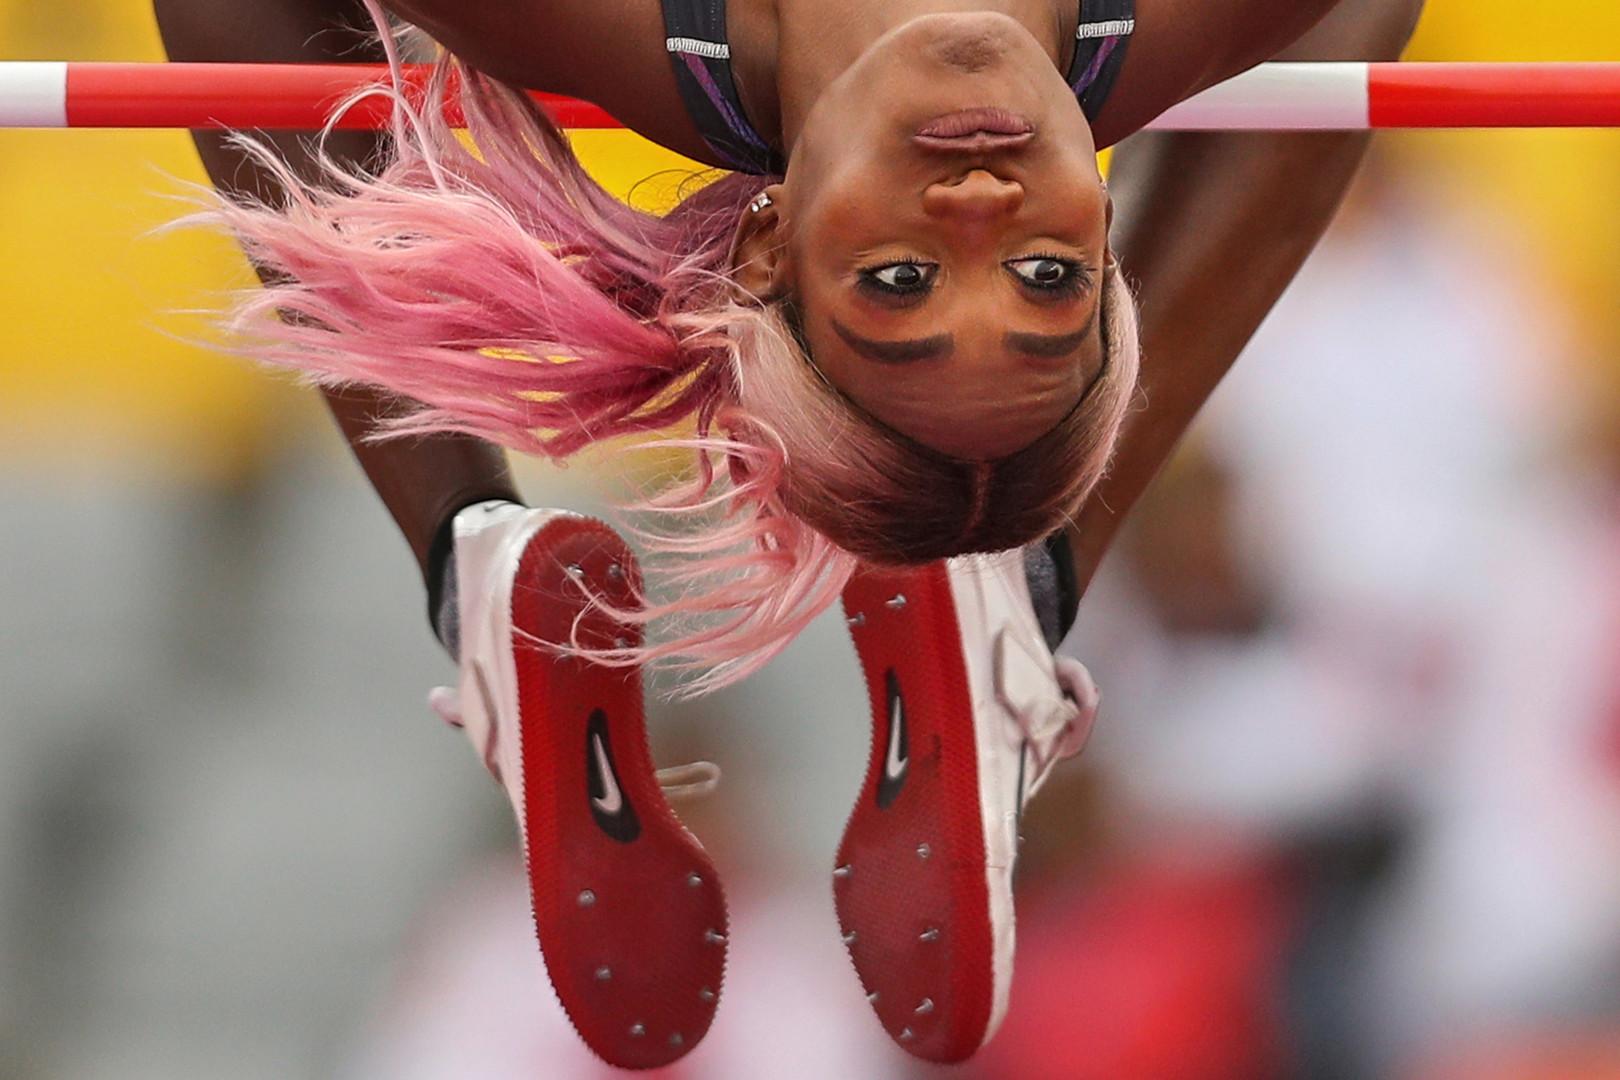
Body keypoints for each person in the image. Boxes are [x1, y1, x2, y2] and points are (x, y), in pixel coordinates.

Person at [152, 0, 1421, 1067]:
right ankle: (1026, 593)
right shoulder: (1135, 34)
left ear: (771, 244)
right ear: (1103, 231)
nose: (978, 203)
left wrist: (446, 504)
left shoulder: (637, 25)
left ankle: (464, 545)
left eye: (900, 279)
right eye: (1046, 277)